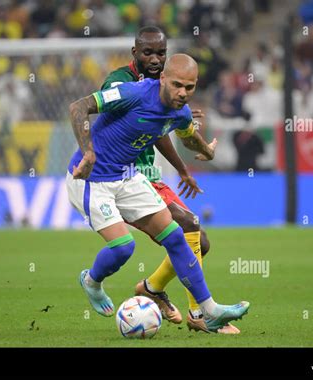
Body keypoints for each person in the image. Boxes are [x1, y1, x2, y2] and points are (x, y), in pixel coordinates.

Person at [66, 54, 250, 333]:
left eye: (189, 88)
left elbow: (187, 135)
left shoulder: (181, 112)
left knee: (177, 237)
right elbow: (78, 108)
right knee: (124, 248)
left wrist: (206, 150)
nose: (182, 93)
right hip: (91, 178)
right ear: (162, 78)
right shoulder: (133, 93)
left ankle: (209, 312)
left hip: (126, 176)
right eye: (176, 85)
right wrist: (89, 152)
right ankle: (92, 281)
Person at [101, 26, 239, 334]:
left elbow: (158, 130)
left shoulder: (166, 87)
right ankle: (199, 314)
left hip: (150, 176)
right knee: (189, 224)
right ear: (134, 53)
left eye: (160, 53)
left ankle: (151, 287)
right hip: (122, 177)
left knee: (199, 243)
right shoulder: (120, 83)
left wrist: (182, 169)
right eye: (148, 52)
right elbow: (114, 123)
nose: (154, 59)